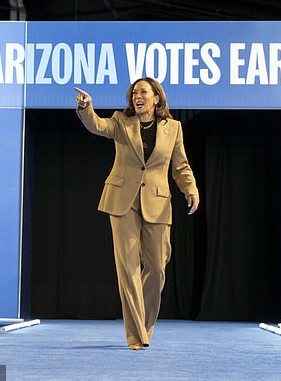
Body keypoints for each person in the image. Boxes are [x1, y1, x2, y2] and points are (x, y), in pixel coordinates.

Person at [74, 78, 199, 350]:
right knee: (128, 269)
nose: (137, 96)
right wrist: (87, 108)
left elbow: (180, 165)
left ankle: (145, 326)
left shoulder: (173, 128)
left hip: (157, 202)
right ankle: (135, 336)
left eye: (143, 92)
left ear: (157, 98)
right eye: (134, 93)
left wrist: (190, 189)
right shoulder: (121, 121)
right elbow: (98, 125)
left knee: (157, 269)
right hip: (122, 202)